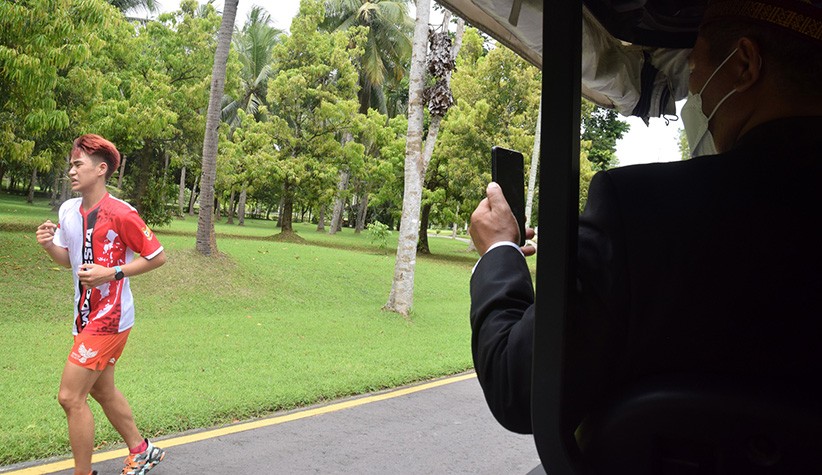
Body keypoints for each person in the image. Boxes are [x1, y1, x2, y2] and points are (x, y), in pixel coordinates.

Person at [468, 0, 822, 435]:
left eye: (695, 68)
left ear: (744, 64)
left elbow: (520, 388)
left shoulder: (637, 209)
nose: (695, 89)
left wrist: (500, 251)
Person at [36, 135, 168, 475]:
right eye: (71, 164)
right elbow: (69, 261)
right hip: (84, 315)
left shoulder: (122, 214)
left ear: (101, 169)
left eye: (78, 164)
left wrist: (112, 272)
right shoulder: (68, 210)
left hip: (111, 317)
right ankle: (142, 450)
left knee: (69, 396)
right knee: (102, 391)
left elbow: (156, 256)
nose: (71, 171)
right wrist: (50, 244)